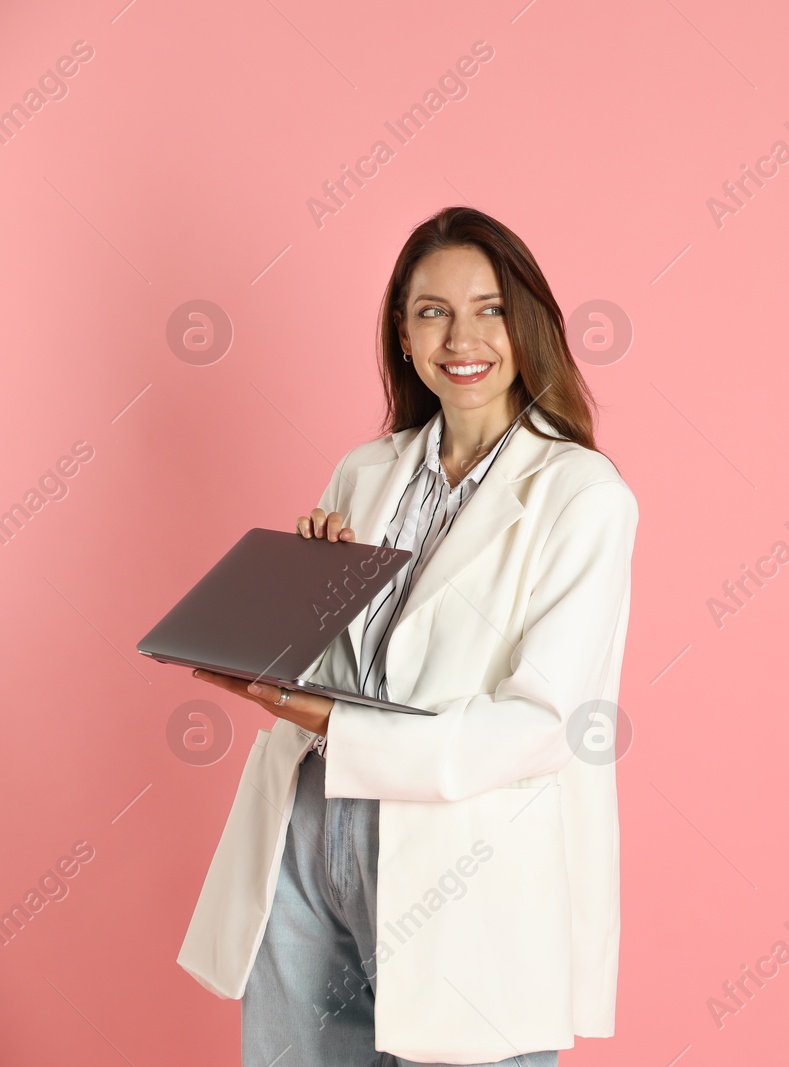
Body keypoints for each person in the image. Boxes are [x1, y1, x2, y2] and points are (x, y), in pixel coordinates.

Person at [177, 206, 638, 1066]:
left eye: (489, 307)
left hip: (462, 855)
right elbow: (348, 671)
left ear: (527, 320)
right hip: (313, 831)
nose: (461, 337)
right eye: (432, 311)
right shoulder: (367, 469)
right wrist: (308, 595)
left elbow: (542, 724)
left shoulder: (584, 496)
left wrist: (330, 722)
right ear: (403, 329)